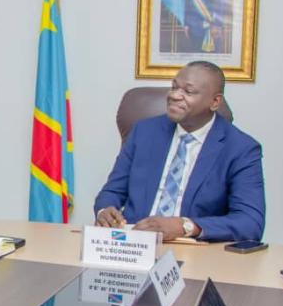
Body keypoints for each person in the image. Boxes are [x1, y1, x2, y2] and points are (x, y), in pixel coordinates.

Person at [94, 61, 265, 242]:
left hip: (194, 250)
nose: (174, 95)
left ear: (215, 102)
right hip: (135, 244)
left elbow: (250, 223)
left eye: (188, 92)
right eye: (174, 87)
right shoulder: (143, 132)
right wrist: (105, 210)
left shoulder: (241, 148)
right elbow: (112, 191)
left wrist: (185, 226)